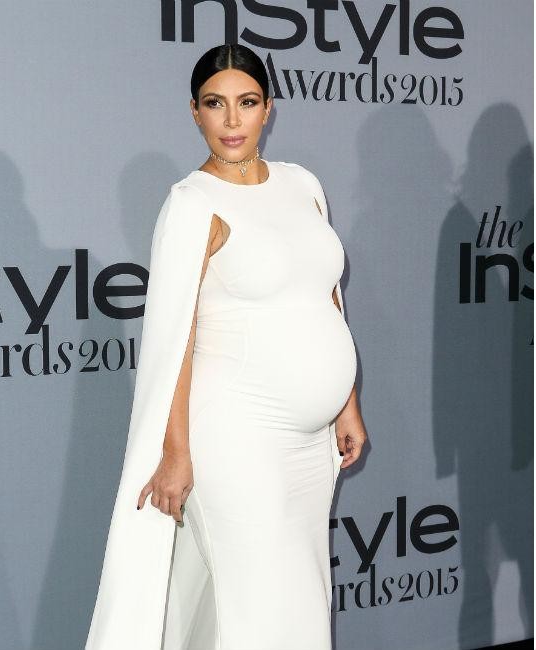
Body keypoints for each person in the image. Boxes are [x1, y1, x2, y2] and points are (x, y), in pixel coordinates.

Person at [85, 43, 368, 650]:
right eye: (216, 104)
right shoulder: (193, 203)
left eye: (247, 102)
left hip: (310, 445)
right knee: (265, 615)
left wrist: (346, 404)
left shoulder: (303, 185)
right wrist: (175, 453)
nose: (232, 120)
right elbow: (173, 339)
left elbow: (324, 293)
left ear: (269, 108)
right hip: (237, 437)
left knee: (295, 603)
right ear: (195, 112)